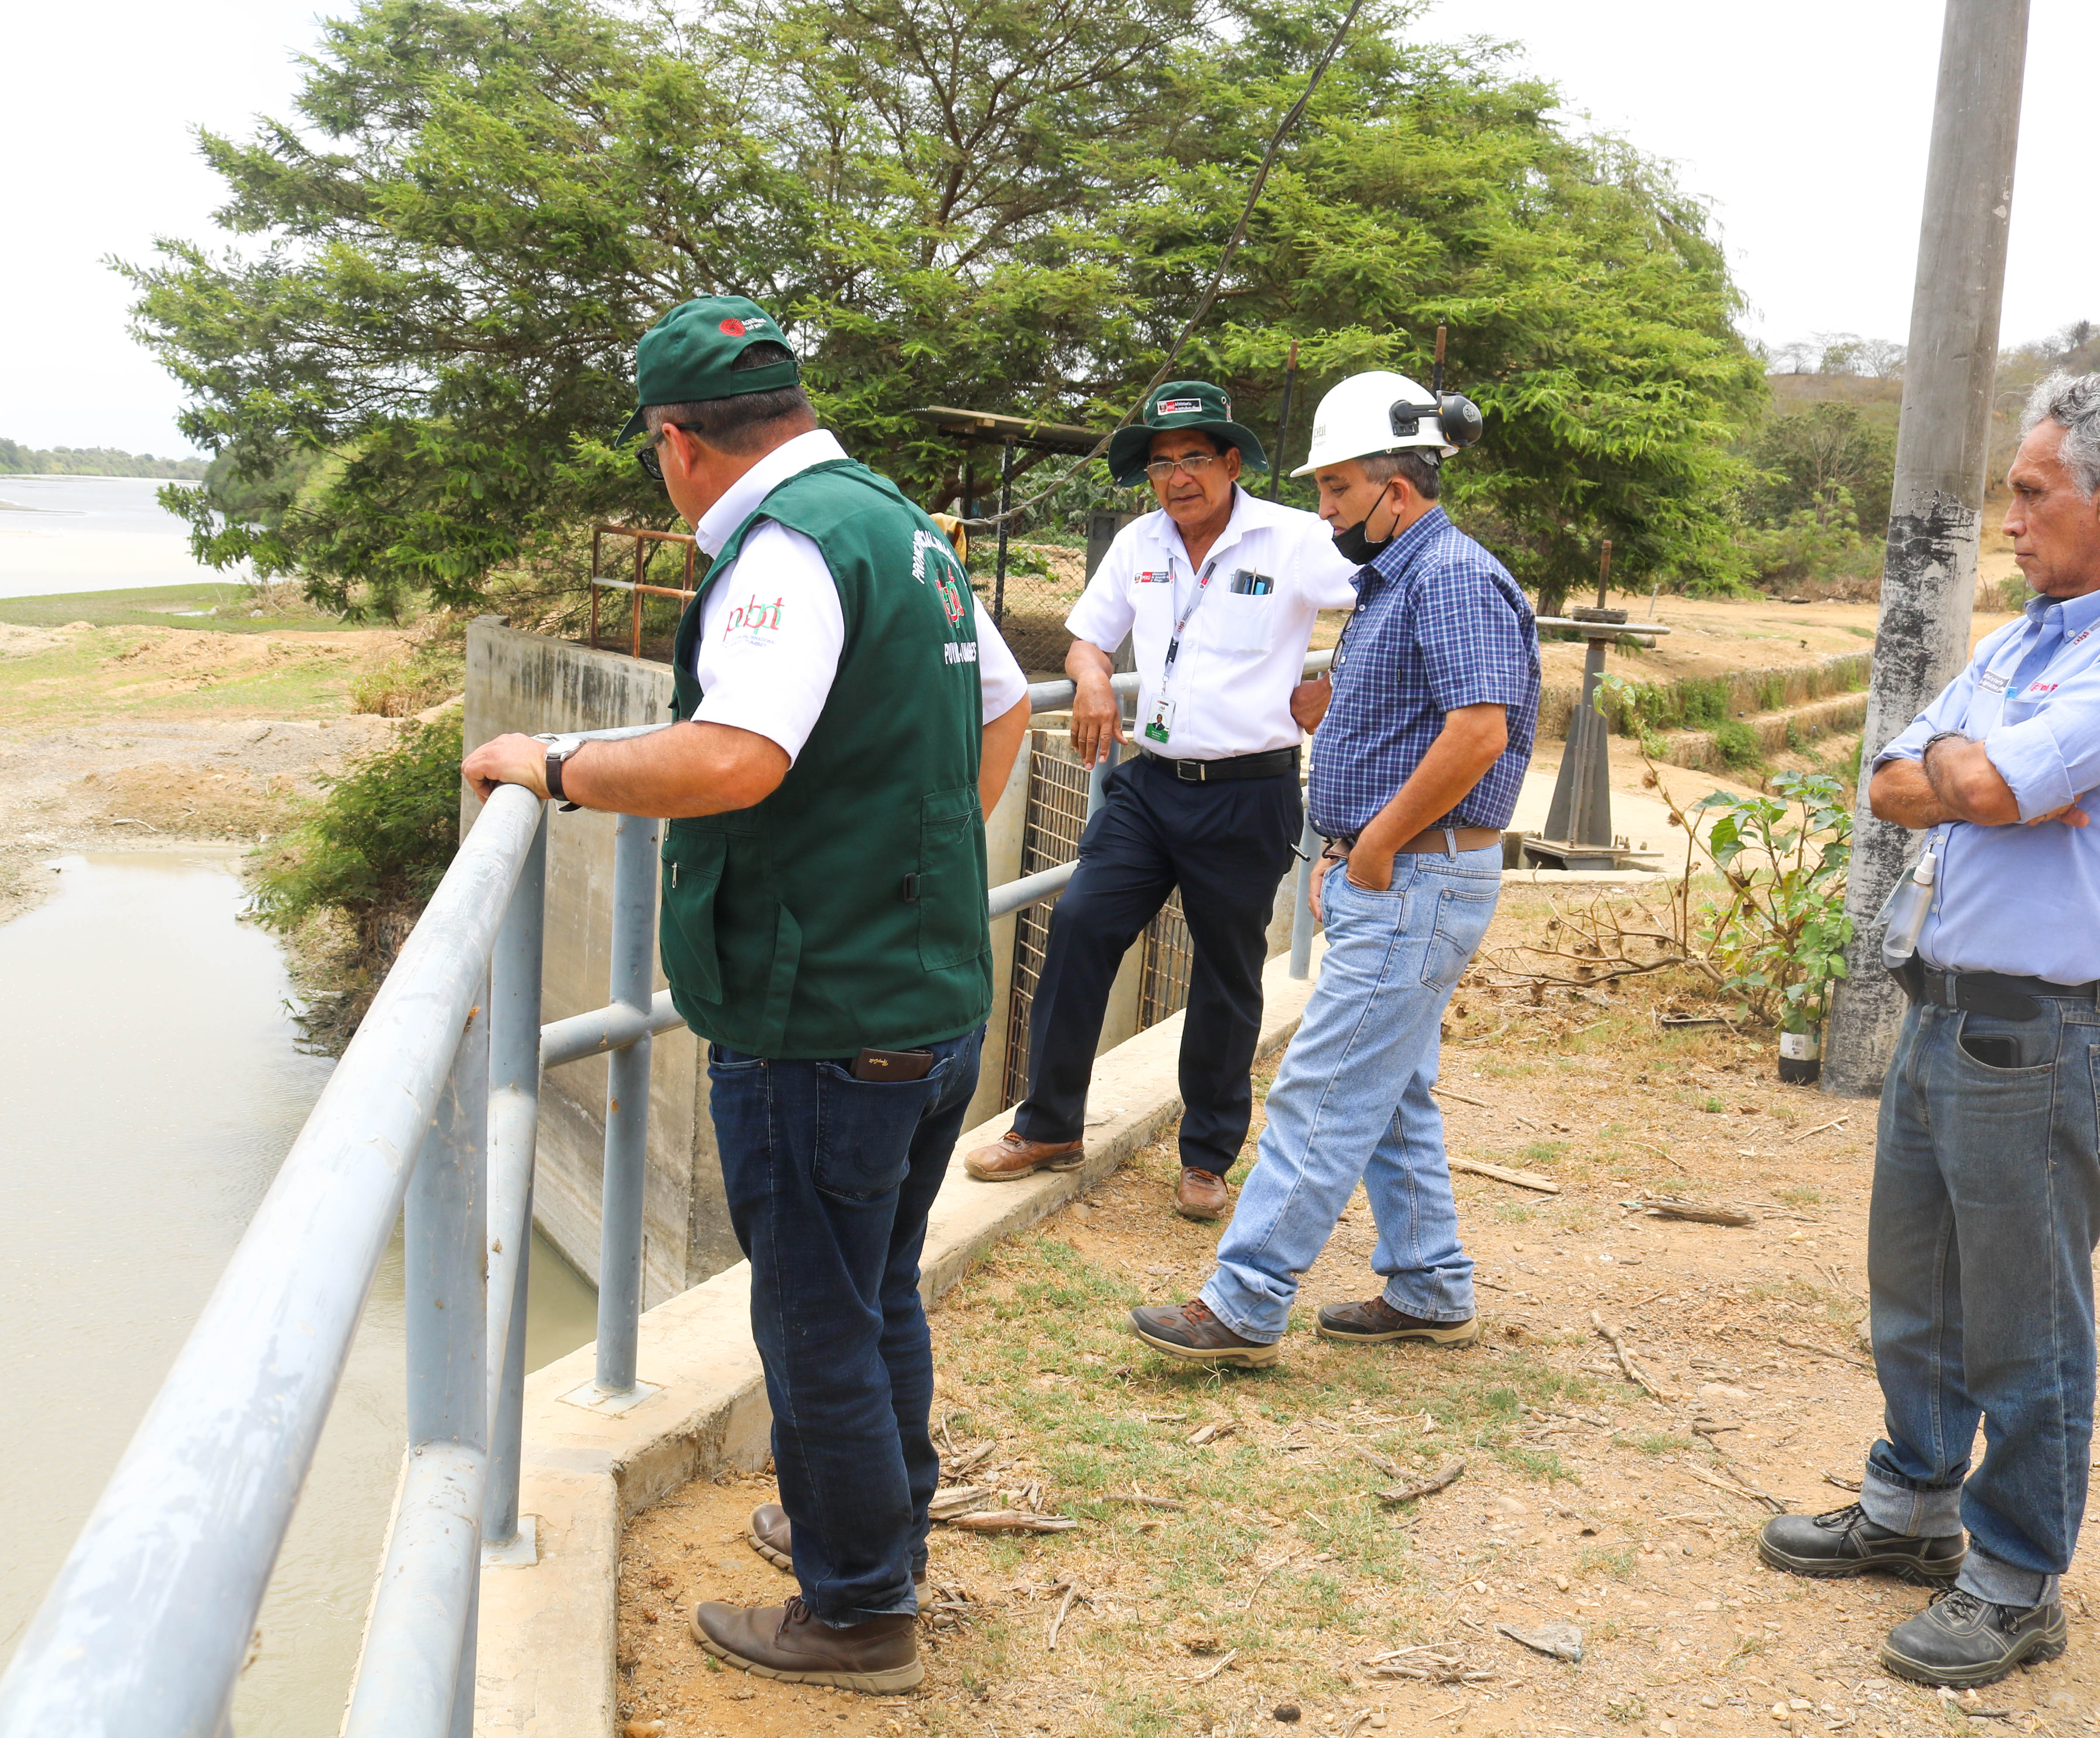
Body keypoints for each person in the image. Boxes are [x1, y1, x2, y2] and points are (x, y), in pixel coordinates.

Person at [461, 295, 1031, 1695]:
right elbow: (1005, 708)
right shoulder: (899, 524)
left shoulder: (785, 552)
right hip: (925, 997)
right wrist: (914, 882)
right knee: (873, 1291)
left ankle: (855, 1617)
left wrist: (553, 763)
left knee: (814, 1318)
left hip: (821, 1024)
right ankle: (867, 1528)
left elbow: (731, 760)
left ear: (676, 440)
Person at [1756, 369, 2100, 1688]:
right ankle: (1914, 1507)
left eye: (2030, 492)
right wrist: (1992, 782)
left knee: (2027, 1323)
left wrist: (1989, 775)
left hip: (2044, 1033)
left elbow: (1979, 771)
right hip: (1945, 1012)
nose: (2011, 518)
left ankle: (2019, 1577)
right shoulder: (2030, 638)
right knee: (1916, 1294)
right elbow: (1902, 779)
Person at [1123, 368, 1536, 1368]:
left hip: (1419, 874)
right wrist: (1350, 835)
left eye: (1339, 491)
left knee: (1323, 1084)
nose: (1327, 511)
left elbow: (1478, 732)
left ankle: (1244, 1301)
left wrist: (1382, 843)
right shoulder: (1401, 577)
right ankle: (1431, 1282)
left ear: (1396, 488)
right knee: (1390, 1087)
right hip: (1394, 872)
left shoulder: (1451, 577)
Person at [961, 379, 1358, 1220]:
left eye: (1194, 459)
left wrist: (1343, 682)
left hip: (1248, 792)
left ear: (1231, 463)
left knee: (1225, 973)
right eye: (1161, 464)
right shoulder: (1141, 541)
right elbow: (1084, 638)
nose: (1177, 478)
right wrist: (1096, 679)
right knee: (1077, 926)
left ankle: (1208, 1156)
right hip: (1149, 786)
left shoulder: (1292, 537)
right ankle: (1050, 1125)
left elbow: (1393, 590)